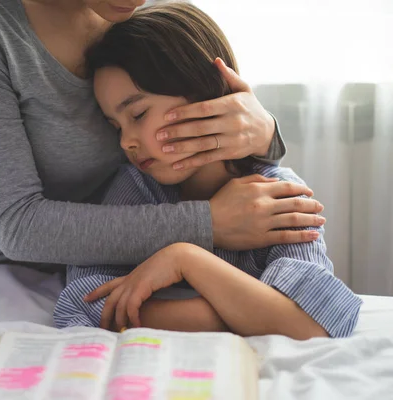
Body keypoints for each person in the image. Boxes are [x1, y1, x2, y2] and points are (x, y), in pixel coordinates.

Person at [0, 0, 324, 269]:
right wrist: (210, 224)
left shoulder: (143, 13)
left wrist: (263, 130)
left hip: (148, 265)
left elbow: (207, 111)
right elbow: (17, 227)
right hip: (18, 277)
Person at [53, 2, 362, 339]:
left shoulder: (278, 196)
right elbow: (84, 303)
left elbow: (311, 322)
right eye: (116, 127)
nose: (127, 142)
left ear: (206, 88)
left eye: (138, 115)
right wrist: (248, 312)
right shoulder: (136, 188)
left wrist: (185, 259)